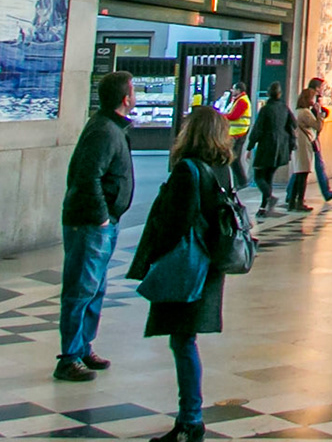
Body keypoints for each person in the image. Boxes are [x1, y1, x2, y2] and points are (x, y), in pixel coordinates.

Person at [127, 105, 236, 442]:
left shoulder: (188, 171)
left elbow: (174, 223)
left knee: (183, 340)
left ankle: (190, 418)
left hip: (188, 264)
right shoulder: (222, 169)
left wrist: (156, 256)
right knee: (185, 339)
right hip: (211, 264)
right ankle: (190, 415)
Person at [57, 71, 135, 380]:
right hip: (90, 223)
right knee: (81, 289)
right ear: (124, 98)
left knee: (95, 288)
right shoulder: (104, 130)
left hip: (102, 222)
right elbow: (87, 174)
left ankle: (83, 346)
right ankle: (69, 357)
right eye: (132, 91)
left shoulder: (110, 127)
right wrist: (102, 214)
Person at [245, 83, 293, 216]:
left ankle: (269, 197)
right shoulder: (284, 108)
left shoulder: (266, 109)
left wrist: (250, 146)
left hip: (266, 146)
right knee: (269, 177)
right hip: (280, 147)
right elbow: (292, 125)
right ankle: (263, 207)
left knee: (259, 176)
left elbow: (258, 129)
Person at [304, 77, 332, 203]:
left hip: (313, 135)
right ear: (317, 88)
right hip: (310, 136)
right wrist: (321, 114)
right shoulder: (309, 100)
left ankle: (326, 191)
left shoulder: (314, 100)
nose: (323, 90)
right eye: (321, 87)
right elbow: (314, 116)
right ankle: (326, 192)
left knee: (306, 167)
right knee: (310, 166)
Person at [285, 87, 319, 212]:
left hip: (298, 143)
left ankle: (292, 201)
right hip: (304, 144)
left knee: (298, 172)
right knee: (303, 173)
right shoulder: (305, 112)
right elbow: (318, 126)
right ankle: (299, 201)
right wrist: (319, 113)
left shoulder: (297, 111)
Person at [221, 82, 251, 178]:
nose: (232, 91)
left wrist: (221, 115)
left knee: (233, 158)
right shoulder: (238, 100)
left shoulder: (242, 101)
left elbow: (234, 116)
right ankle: (240, 181)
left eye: (233, 89)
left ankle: (241, 180)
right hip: (235, 133)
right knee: (232, 158)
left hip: (238, 133)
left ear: (238, 90)